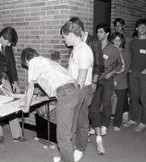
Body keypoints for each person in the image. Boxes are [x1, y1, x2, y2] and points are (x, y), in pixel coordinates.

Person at [20, 47, 85, 162]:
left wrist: (26, 107)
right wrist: (43, 97)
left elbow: (30, 89)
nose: (28, 67)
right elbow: (58, 88)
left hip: (66, 95)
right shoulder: (48, 62)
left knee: (63, 137)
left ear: (27, 60)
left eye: (26, 65)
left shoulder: (33, 63)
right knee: (70, 131)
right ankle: (68, 158)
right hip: (77, 92)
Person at [60, 21, 94, 162]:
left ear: (72, 35)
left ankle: (80, 148)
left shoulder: (83, 50)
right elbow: (72, 73)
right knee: (72, 123)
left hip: (81, 90)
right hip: (75, 90)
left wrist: (71, 96)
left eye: (64, 36)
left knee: (81, 122)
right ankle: (70, 151)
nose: (63, 39)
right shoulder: (77, 48)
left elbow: (81, 78)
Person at [89, 23, 122, 155]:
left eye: (101, 32)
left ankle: (104, 126)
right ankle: (96, 125)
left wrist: (112, 73)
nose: (98, 34)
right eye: (97, 32)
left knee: (107, 103)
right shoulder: (94, 46)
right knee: (94, 104)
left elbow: (119, 65)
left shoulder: (114, 49)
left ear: (107, 33)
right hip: (96, 79)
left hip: (107, 79)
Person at [110, 32, 131, 131]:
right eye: (115, 40)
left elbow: (126, 69)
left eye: (119, 40)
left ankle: (117, 123)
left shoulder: (126, 52)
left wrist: (116, 80)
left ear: (122, 41)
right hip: (109, 79)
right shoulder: (109, 51)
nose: (117, 42)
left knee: (119, 104)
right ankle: (104, 122)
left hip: (121, 82)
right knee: (107, 102)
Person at [113, 18, 131, 121]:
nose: (117, 27)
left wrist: (129, 67)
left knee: (123, 90)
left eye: (119, 25)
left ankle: (125, 111)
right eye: (116, 25)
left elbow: (130, 53)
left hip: (125, 66)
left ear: (123, 26)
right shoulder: (113, 37)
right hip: (116, 66)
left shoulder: (128, 38)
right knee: (118, 92)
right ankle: (119, 111)